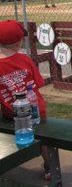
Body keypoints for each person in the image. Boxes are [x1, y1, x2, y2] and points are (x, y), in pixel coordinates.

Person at [0, 20, 51, 180]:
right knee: (44, 139)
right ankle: (49, 167)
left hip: (11, 114)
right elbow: (39, 84)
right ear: (18, 43)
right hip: (36, 111)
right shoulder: (24, 59)